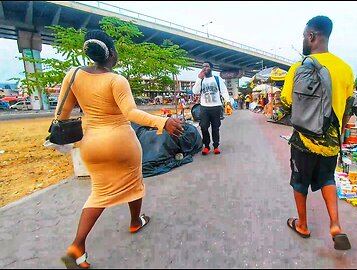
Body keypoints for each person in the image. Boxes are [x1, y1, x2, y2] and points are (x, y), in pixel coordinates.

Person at [58, 30, 184, 269]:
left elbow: (62, 114)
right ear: (112, 54)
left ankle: (77, 247)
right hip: (120, 141)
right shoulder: (116, 80)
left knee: (99, 193)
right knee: (134, 182)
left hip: (91, 144)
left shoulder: (73, 75)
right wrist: (162, 122)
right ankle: (135, 221)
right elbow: (131, 113)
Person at [281, 15, 352, 250]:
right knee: (327, 179)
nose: (303, 39)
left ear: (311, 36)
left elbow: (286, 103)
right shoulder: (346, 70)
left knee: (299, 182)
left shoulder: (297, 69)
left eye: (304, 36)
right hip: (331, 140)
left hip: (303, 140)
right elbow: (348, 109)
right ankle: (335, 225)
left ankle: (302, 224)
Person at [192, 61, 231, 155]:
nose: (204, 68)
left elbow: (224, 91)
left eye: (206, 66)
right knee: (204, 127)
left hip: (216, 107)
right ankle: (206, 146)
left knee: (215, 127)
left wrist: (228, 101)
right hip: (204, 108)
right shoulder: (201, 80)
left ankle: (216, 146)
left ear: (211, 68)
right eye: (203, 67)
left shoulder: (217, 79)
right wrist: (198, 79)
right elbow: (195, 92)